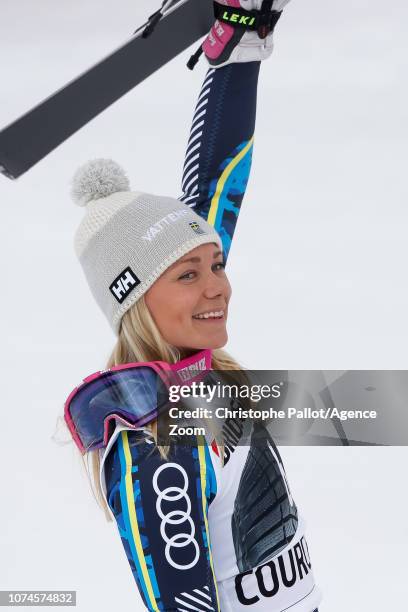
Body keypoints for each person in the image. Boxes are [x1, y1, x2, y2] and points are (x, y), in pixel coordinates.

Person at [65, 1, 322, 610]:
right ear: (137, 302)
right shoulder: (156, 436)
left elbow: (215, 193)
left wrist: (240, 48)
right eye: (189, 273)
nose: (217, 286)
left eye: (218, 264)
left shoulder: (199, 380)